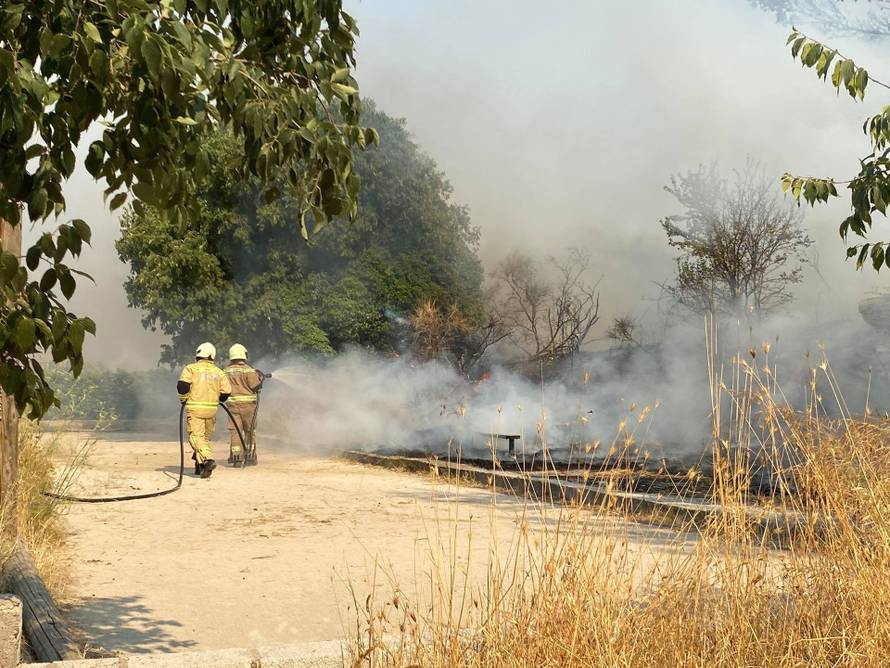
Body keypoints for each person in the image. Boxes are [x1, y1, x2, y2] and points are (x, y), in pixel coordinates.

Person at [177, 342, 231, 478]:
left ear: (198, 355)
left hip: (195, 409)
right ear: (212, 356)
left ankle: (208, 459)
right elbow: (226, 393)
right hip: (212, 410)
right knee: (205, 438)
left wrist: (183, 399)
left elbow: (182, 386)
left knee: (195, 437)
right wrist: (214, 398)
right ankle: (200, 466)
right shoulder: (219, 372)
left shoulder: (191, 369)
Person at [223, 344, 264, 466]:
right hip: (249, 406)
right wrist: (260, 378)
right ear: (244, 355)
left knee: (235, 431)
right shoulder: (248, 370)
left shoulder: (225, 371)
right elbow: (255, 386)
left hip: (232, 407)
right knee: (249, 431)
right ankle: (250, 457)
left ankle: (236, 457)